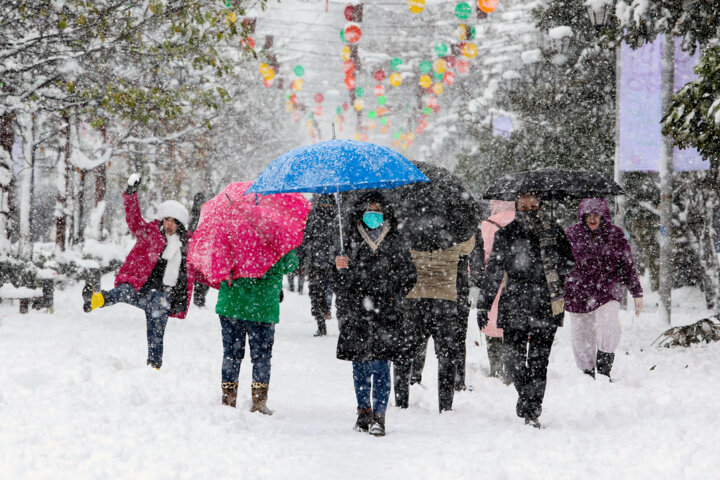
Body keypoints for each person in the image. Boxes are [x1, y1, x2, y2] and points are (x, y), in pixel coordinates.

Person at [478, 193, 574, 428]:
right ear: (516, 204)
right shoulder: (507, 234)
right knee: (513, 359)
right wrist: (484, 304)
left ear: (540, 204)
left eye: (533, 203)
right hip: (515, 302)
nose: (528, 207)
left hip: (545, 303)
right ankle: (526, 397)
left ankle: (533, 408)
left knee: (540, 360)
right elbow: (494, 272)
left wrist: (555, 265)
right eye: (523, 203)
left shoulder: (553, 231)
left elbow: (570, 263)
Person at [81, 174, 196, 370]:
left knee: (156, 333)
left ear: (180, 224)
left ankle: (154, 366)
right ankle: (97, 299)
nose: (169, 224)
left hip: (164, 297)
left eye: (173, 221)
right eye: (166, 219)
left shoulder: (189, 245)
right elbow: (134, 219)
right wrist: (131, 194)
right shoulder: (150, 233)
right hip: (142, 288)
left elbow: (204, 266)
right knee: (124, 291)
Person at [332, 191, 416, 436]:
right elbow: (339, 283)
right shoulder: (347, 240)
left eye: (378, 211)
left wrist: (392, 292)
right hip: (357, 311)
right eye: (369, 210)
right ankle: (363, 412)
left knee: (381, 364)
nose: (373, 215)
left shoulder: (395, 240)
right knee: (360, 365)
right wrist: (340, 269)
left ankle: (380, 416)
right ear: (360, 212)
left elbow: (409, 275)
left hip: (385, 311)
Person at [564, 198, 643, 380]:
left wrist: (637, 292)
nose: (592, 219)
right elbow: (560, 263)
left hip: (607, 289)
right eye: (588, 215)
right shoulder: (571, 235)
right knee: (581, 333)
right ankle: (587, 371)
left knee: (608, 325)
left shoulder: (615, 235)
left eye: (596, 215)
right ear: (582, 216)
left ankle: (604, 367)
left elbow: (627, 265)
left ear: (603, 216)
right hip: (578, 291)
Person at [395, 234, 476, 412]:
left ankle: (402, 403)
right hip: (442, 295)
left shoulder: (410, 224)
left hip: (419, 295)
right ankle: (445, 406)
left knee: (405, 351)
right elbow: (469, 244)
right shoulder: (453, 225)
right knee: (445, 353)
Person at [215, 250, 299, 414]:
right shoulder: (275, 236)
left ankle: (228, 398)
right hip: (262, 305)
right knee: (261, 355)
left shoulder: (229, 234)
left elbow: (218, 264)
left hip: (232, 303)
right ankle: (259, 401)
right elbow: (291, 264)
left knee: (231, 353)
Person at [473, 200, 515, 383]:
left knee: (493, 325)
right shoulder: (523, 220)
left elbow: (478, 258)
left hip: (494, 284)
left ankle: (497, 369)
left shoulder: (487, 225)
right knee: (515, 328)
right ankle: (514, 369)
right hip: (517, 284)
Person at [303, 194, 339, 337]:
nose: (326, 205)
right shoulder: (312, 217)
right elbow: (306, 237)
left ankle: (342, 322)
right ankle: (321, 324)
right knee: (316, 294)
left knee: (341, 295)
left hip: (335, 261)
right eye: (323, 202)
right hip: (316, 261)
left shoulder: (338, 219)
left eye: (328, 202)